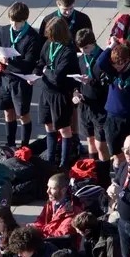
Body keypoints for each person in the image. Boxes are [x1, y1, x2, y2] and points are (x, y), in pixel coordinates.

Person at [97, 38, 130, 169]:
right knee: (117, 155)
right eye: (114, 63)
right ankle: (118, 178)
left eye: (120, 63)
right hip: (114, 119)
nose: (116, 66)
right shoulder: (114, 70)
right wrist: (111, 46)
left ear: (128, 60)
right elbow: (100, 62)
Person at [0, 2, 42, 148]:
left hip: (21, 81)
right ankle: (10, 144)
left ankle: (24, 145)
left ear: (24, 20)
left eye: (18, 23)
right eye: (12, 21)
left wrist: (8, 63)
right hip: (4, 79)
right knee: (8, 112)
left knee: (23, 114)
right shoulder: (3, 31)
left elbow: (29, 63)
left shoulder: (32, 37)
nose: (14, 25)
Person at [34, 17, 80, 168]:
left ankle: (64, 163)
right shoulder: (49, 43)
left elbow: (58, 77)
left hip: (60, 94)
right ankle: (51, 159)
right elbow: (41, 61)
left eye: (52, 34)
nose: (49, 38)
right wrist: (35, 74)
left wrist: (46, 71)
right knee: (49, 125)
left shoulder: (68, 50)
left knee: (64, 128)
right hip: (47, 91)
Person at [73, 28, 109, 161]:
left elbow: (107, 86)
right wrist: (76, 92)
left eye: (86, 47)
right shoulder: (81, 58)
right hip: (85, 105)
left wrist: (92, 82)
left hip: (100, 107)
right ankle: (93, 168)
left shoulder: (103, 58)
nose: (83, 51)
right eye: (80, 48)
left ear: (94, 42)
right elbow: (76, 81)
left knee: (101, 144)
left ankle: (104, 168)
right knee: (90, 140)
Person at [30, 173, 82, 242]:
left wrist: (37, 230)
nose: (47, 191)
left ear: (63, 190)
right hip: (47, 238)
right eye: (48, 187)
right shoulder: (52, 202)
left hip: (61, 247)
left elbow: (60, 236)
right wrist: (32, 228)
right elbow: (40, 220)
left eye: (52, 188)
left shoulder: (73, 212)